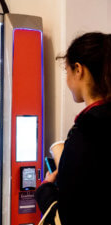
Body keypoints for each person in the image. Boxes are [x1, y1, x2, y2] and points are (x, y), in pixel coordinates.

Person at [35, 32, 111, 225]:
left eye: (66, 71)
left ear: (79, 70)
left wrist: (45, 191)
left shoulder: (86, 132)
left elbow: (71, 214)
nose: (67, 80)